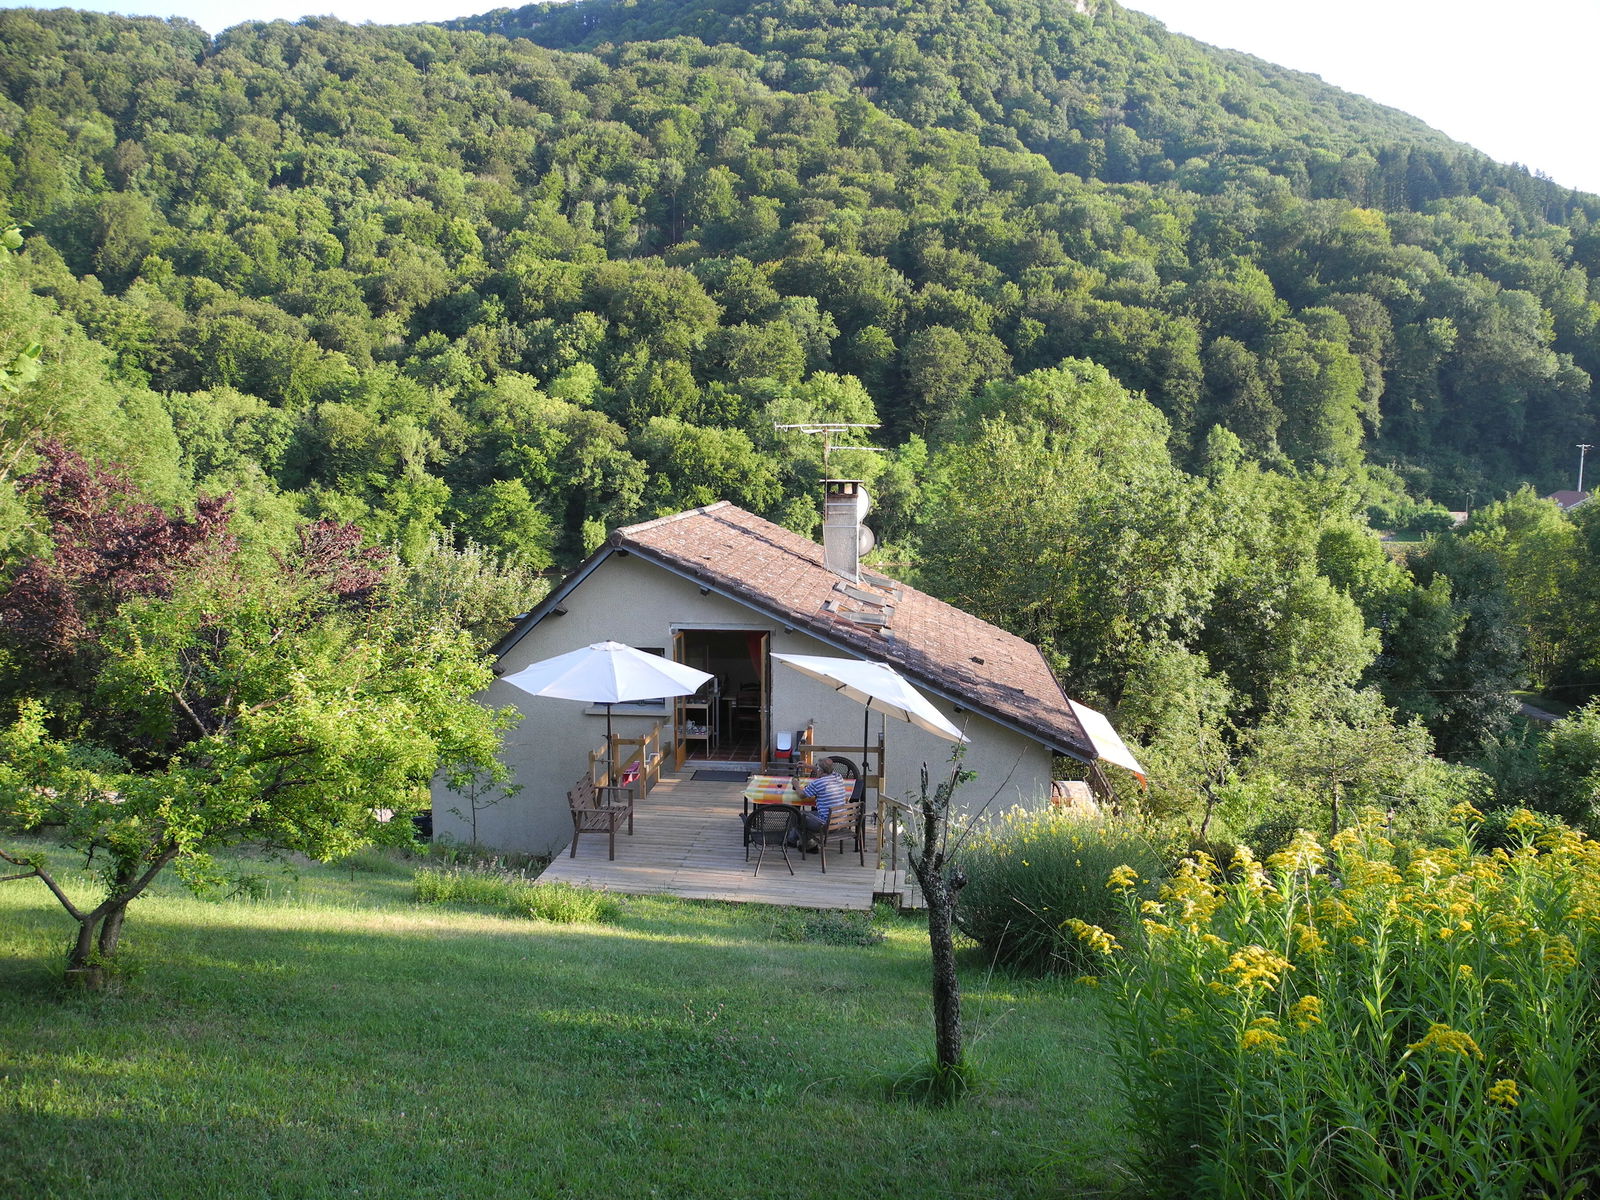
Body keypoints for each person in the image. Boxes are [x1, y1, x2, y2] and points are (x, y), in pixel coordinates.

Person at [792, 760, 849, 850]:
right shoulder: (838, 776)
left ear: (821, 771)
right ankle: (794, 839)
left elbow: (802, 795)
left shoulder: (819, 783)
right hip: (840, 821)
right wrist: (808, 766)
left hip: (826, 824)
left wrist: (796, 786)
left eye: (818, 768)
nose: (816, 770)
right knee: (806, 815)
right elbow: (825, 770)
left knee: (797, 816)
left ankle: (809, 845)